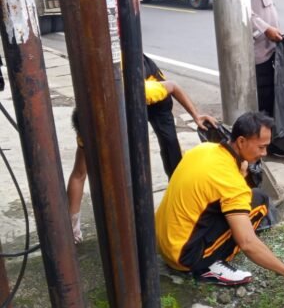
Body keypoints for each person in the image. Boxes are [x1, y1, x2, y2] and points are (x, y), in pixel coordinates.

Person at [155, 111, 284, 289]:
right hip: (183, 257)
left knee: (257, 197)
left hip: (164, 241)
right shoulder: (231, 183)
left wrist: (241, 172)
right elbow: (247, 243)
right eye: (261, 147)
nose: (264, 153)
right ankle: (209, 267)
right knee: (258, 207)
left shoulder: (204, 149)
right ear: (241, 141)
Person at [67, 75, 216, 243]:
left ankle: (185, 215)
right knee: (86, 168)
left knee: (171, 153)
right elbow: (79, 175)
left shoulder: (139, 92)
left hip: (158, 103)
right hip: (120, 107)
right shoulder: (86, 129)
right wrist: (71, 227)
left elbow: (173, 86)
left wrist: (196, 115)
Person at [246, 0, 282, 116]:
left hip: (267, 52)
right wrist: (266, 29)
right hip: (258, 56)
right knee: (263, 106)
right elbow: (243, 13)